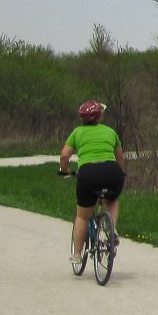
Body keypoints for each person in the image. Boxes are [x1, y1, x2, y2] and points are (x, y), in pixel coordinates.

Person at [59, 100, 126, 266]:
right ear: (100, 117)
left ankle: (77, 254)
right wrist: (121, 173)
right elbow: (120, 158)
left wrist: (64, 169)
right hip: (112, 172)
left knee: (82, 215)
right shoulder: (110, 132)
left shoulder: (77, 133)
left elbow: (64, 156)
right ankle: (111, 230)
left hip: (88, 174)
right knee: (112, 200)